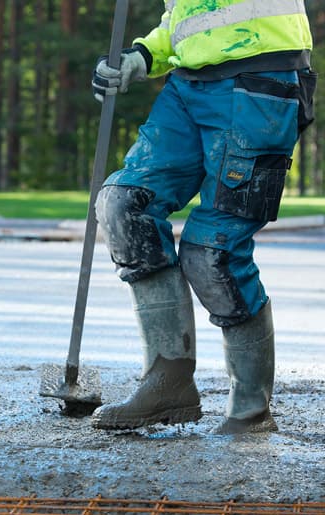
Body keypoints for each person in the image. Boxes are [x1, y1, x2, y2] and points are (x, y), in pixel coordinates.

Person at [89, 1, 316, 434]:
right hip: (189, 86)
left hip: (261, 81)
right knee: (123, 206)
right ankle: (168, 381)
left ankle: (250, 409)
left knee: (213, 253)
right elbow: (189, 20)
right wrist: (141, 58)